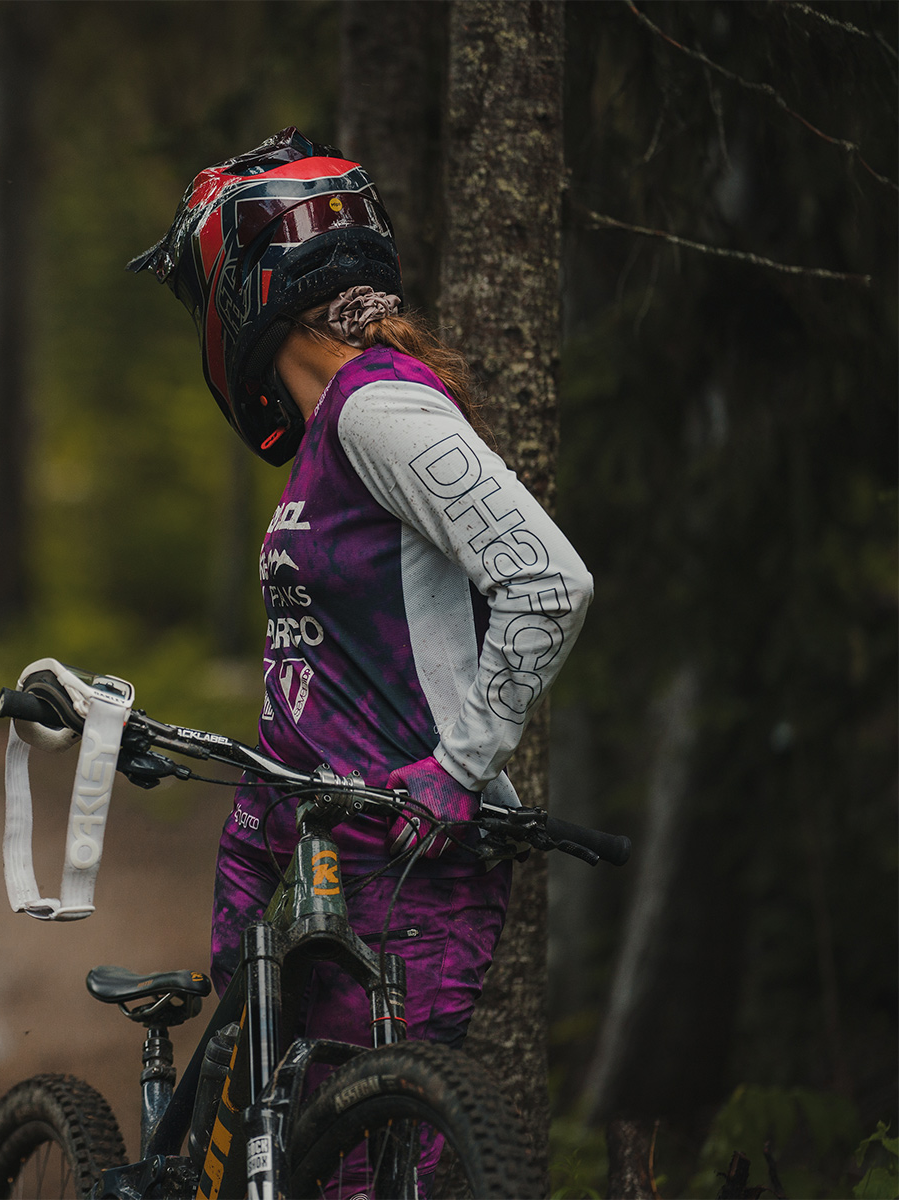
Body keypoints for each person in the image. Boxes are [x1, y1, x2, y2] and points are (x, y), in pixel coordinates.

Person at [130, 129, 593, 1068]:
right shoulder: (329, 428)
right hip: (291, 836)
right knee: (255, 1125)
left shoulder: (380, 409)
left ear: (246, 287)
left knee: (356, 1160)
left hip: (398, 856)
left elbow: (549, 581)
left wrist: (458, 768)